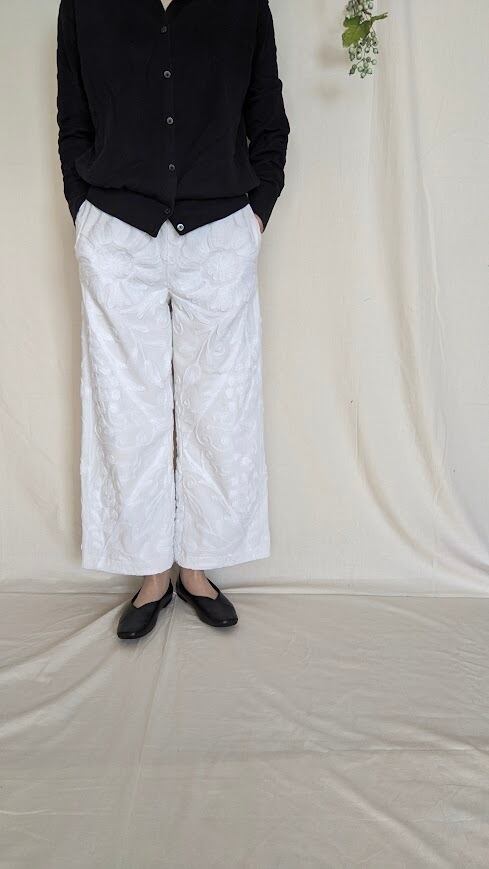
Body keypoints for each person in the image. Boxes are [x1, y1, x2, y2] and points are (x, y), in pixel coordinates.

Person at [56, 0, 289, 638]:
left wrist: (257, 214)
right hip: (116, 232)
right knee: (125, 406)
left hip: (219, 232)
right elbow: (74, 119)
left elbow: (267, 116)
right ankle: (151, 571)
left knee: (221, 404)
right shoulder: (83, 6)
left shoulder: (244, 6)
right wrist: (83, 213)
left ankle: (197, 567)